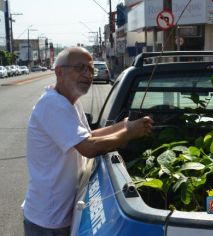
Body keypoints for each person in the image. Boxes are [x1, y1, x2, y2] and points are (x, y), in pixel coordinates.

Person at [22, 46, 154, 236]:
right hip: (48, 220)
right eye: (80, 68)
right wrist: (128, 133)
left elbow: (89, 135)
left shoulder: (69, 101)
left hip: (60, 214)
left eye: (91, 69)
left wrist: (123, 126)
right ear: (59, 72)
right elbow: (88, 148)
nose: (88, 74)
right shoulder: (53, 104)